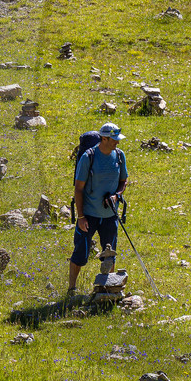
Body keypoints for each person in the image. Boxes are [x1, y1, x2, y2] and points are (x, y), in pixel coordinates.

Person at [67, 122, 128, 294]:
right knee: (80, 253)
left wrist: (116, 195)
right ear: (104, 138)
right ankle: (71, 289)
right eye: (114, 139)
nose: (117, 142)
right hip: (89, 215)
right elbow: (78, 189)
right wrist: (81, 217)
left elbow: (123, 181)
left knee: (110, 253)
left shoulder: (120, 156)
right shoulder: (89, 157)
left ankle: (109, 289)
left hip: (110, 214)